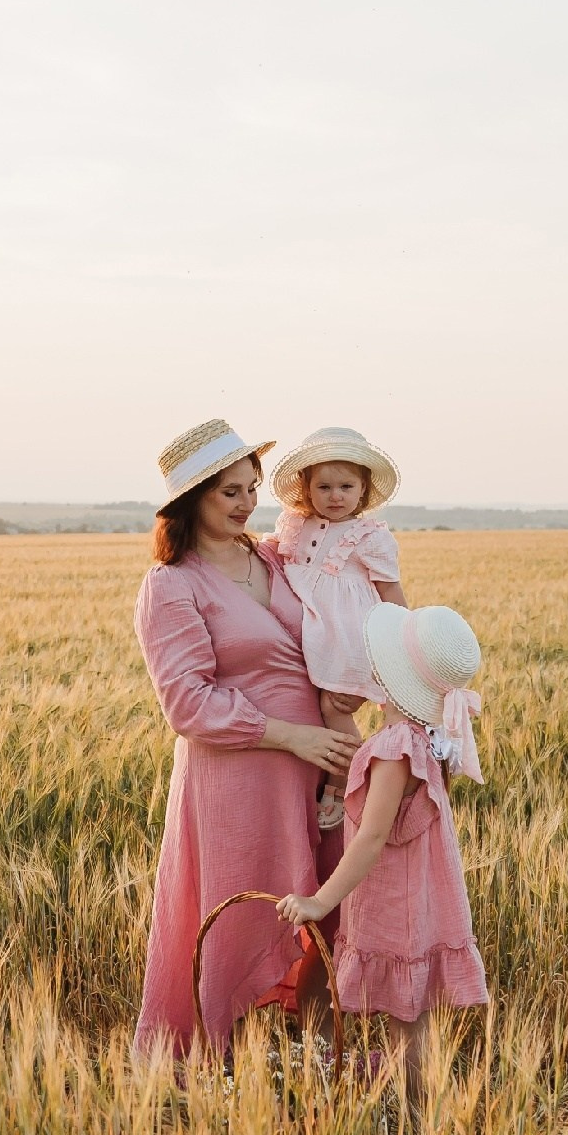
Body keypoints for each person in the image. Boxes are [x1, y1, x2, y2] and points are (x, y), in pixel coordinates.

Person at [132, 419, 361, 1057]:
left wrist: (346, 691)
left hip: (316, 765)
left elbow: (328, 630)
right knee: (239, 914)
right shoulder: (171, 585)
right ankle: (218, 1060)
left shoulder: (276, 557)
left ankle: (317, 1051)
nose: (245, 502)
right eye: (229, 492)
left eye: (251, 487)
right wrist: (291, 737)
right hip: (240, 775)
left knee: (323, 910)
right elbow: (187, 703)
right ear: (191, 500)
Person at [277, 602, 490, 1100]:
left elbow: (373, 837)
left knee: (408, 1026)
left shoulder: (395, 747)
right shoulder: (425, 739)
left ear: (387, 676)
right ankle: (423, 1123)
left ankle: (416, 1130)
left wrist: (319, 902)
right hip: (422, 903)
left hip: (397, 908)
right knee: (413, 1024)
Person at [264, 427, 409, 830]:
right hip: (311, 633)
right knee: (307, 703)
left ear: (363, 491)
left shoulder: (370, 536)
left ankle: (342, 780)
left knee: (334, 706)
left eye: (346, 486)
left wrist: (402, 647)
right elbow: (272, 558)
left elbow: (390, 593)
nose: (335, 496)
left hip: (347, 640)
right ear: (306, 489)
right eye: (324, 486)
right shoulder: (295, 525)